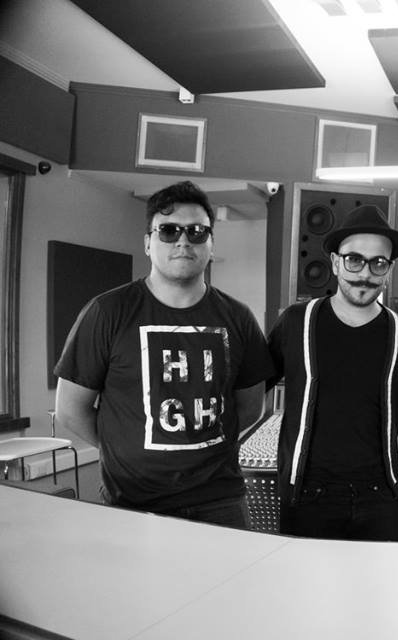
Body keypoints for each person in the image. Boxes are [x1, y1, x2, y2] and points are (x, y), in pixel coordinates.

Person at [54, 181, 272, 528]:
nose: (183, 241)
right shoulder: (106, 313)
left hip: (220, 500)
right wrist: (121, 450)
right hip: (132, 501)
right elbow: (70, 410)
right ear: (148, 242)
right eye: (168, 231)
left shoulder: (238, 318)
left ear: (211, 244)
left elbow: (250, 408)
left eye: (197, 231)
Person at [267, 204, 398, 541]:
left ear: (389, 269)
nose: (365, 273)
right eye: (354, 260)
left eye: (378, 263)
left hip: (380, 499)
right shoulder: (297, 322)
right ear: (334, 262)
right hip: (307, 499)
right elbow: (253, 386)